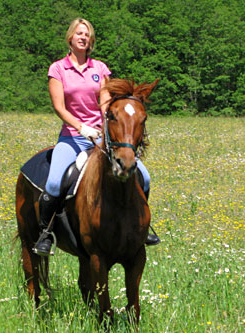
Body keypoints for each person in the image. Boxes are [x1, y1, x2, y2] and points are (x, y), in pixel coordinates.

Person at [33, 18, 160, 256]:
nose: (83, 37)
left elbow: (104, 101)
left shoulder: (99, 68)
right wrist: (82, 128)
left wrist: (105, 123)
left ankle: (143, 227)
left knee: (144, 176)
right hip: (72, 137)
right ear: (70, 37)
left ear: (91, 41)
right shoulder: (58, 69)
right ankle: (45, 233)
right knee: (53, 182)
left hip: (101, 138)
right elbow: (59, 107)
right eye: (79, 33)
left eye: (87, 34)